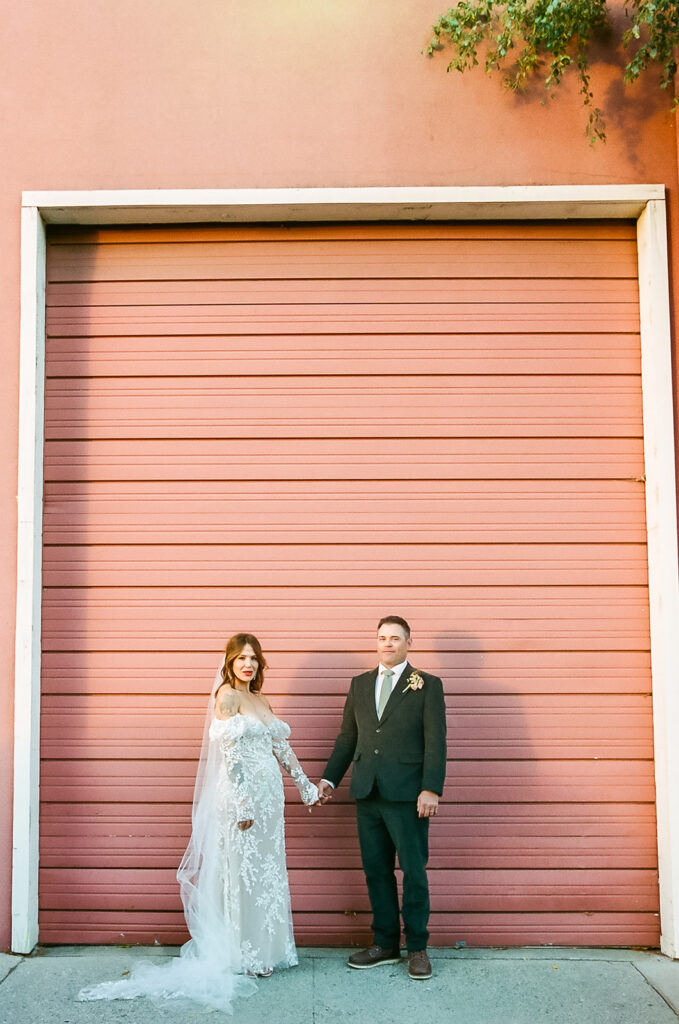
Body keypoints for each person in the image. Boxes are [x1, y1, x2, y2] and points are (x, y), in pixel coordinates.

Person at [78, 632, 318, 1012]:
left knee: (266, 872)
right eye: (241, 657)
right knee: (240, 872)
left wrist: (305, 786)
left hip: (270, 801)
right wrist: (242, 804)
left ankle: (267, 949)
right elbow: (231, 753)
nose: (248, 664)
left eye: (253, 658)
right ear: (229, 662)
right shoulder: (227, 696)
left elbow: (281, 747)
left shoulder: (259, 698)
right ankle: (241, 954)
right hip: (242, 801)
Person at [318, 616, 447, 981]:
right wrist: (330, 778)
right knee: (376, 871)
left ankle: (418, 947)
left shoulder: (427, 685)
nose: (387, 644)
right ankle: (385, 943)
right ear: (375, 643)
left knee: (413, 872)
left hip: (409, 795)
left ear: (408, 642)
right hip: (367, 792)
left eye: (395, 638)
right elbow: (348, 738)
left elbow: (436, 741)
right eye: (382, 638)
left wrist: (431, 788)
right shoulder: (360, 684)